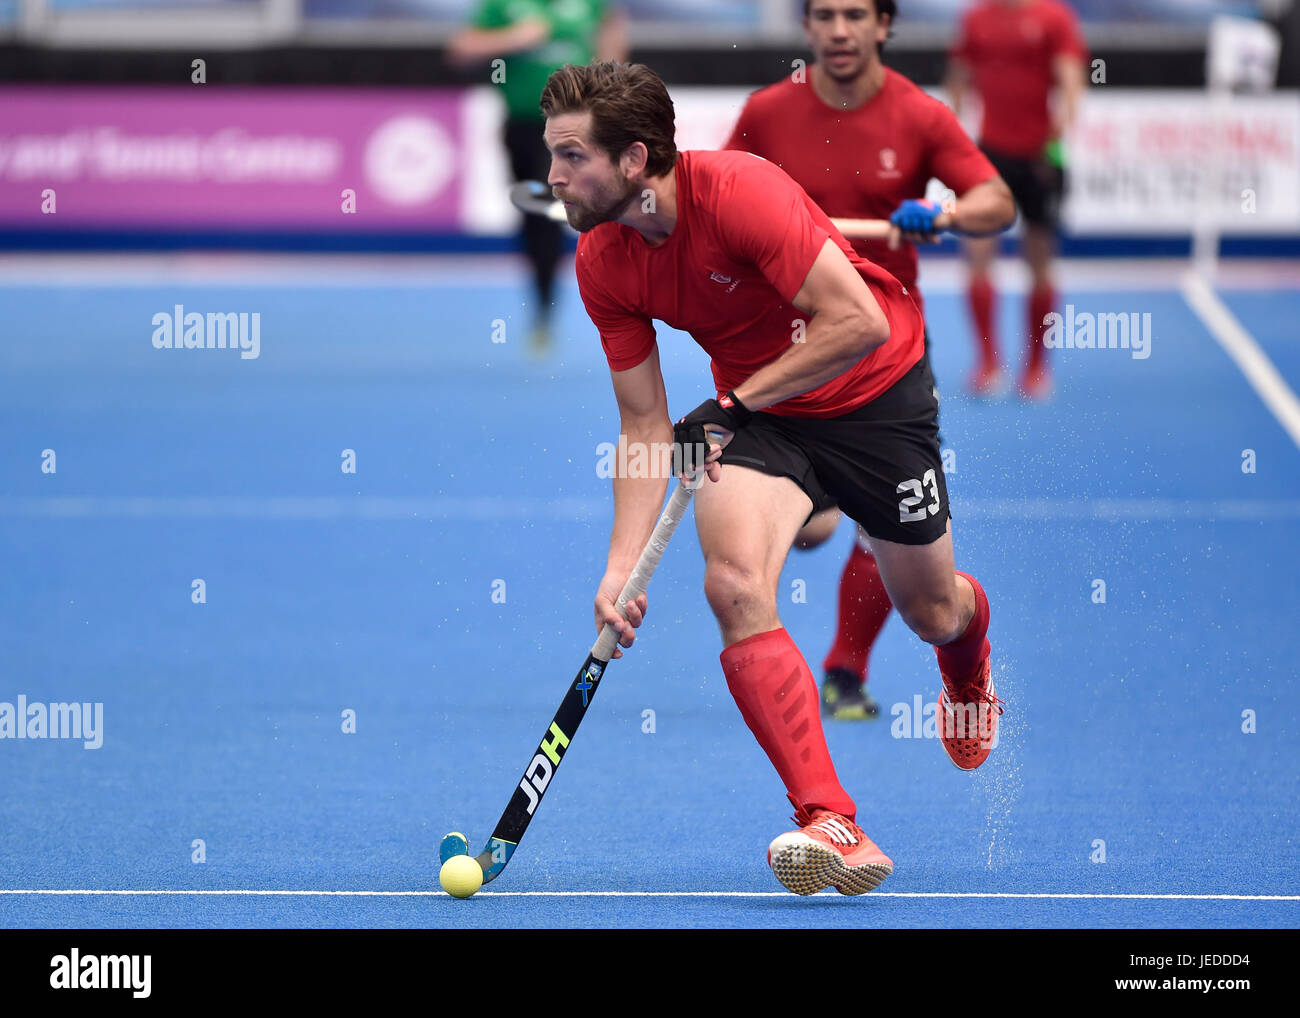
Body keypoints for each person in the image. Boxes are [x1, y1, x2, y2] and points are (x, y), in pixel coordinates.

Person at [540, 61, 1001, 896]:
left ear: (636, 160)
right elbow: (644, 425)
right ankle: (831, 819)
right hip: (764, 419)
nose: (553, 177)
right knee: (733, 584)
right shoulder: (603, 261)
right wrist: (619, 564)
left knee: (932, 611)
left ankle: (967, 664)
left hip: (874, 393)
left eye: (572, 157)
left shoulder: (740, 193)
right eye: (552, 156)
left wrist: (733, 403)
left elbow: (855, 322)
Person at [724, 0, 1015, 721]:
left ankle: (846, 670)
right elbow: (715, 199)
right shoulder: (766, 113)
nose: (839, 30)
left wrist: (944, 215)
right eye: (824, 15)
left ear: (884, 25)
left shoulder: (917, 115)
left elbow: (997, 201)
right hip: (787, 361)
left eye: (856, 14)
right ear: (806, 29)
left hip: (883, 362)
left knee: (922, 596)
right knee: (815, 528)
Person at [448, 1, 627, 354]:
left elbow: (612, 24)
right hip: (525, 126)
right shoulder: (503, 5)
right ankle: (545, 304)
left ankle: (617, 306)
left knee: (599, 206)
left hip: (579, 126)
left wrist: (610, 77)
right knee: (537, 214)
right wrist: (516, 38)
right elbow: (461, 49)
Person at [946, 0, 1087, 399]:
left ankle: (1037, 369)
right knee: (977, 255)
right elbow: (959, 78)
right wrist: (954, 142)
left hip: (1040, 155)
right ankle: (988, 364)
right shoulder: (975, 19)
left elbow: (1072, 81)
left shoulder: (1053, 18)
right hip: (990, 156)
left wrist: (1055, 141)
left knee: (1039, 260)